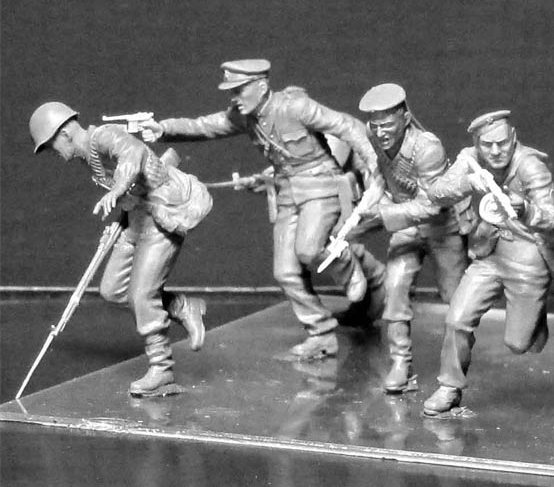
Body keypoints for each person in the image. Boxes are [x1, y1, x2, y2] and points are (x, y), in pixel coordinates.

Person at [141, 59, 386, 360]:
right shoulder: (245, 117)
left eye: (239, 90)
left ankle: (347, 267)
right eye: (231, 91)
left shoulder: (295, 106)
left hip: (320, 187)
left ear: (261, 85)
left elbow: (348, 126)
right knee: (285, 272)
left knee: (309, 249)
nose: (234, 97)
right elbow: (203, 126)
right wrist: (163, 128)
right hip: (287, 192)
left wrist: (374, 168)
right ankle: (321, 334)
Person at [29, 102, 211, 397]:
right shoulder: (88, 158)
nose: (56, 154)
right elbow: (132, 188)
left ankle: (162, 370)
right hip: (136, 219)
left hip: (161, 215)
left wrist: (116, 190)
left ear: (64, 134)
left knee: (141, 295)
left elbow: (133, 152)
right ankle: (181, 306)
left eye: (51, 147)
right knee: (113, 289)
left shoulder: (102, 136)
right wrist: (120, 211)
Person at [421, 110, 554, 416]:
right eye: (487, 145)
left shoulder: (530, 166)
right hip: (489, 252)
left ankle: (534, 315)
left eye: (502, 143)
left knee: (518, 343)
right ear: (478, 144)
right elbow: (436, 193)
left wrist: (526, 209)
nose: (495, 151)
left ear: (513, 138)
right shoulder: (471, 159)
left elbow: (552, 217)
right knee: (456, 319)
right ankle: (450, 386)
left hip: (527, 255)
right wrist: (468, 182)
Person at [355, 83, 470, 393]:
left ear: (405, 119)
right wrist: (373, 196)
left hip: (442, 227)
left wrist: (382, 215)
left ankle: (456, 367)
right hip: (406, 225)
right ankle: (400, 363)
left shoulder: (427, 147)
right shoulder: (374, 136)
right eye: (375, 125)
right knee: (394, 288)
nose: (380, 132)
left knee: (457, 302)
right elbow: (384, 172)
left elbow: (432, 204)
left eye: (387, 124)